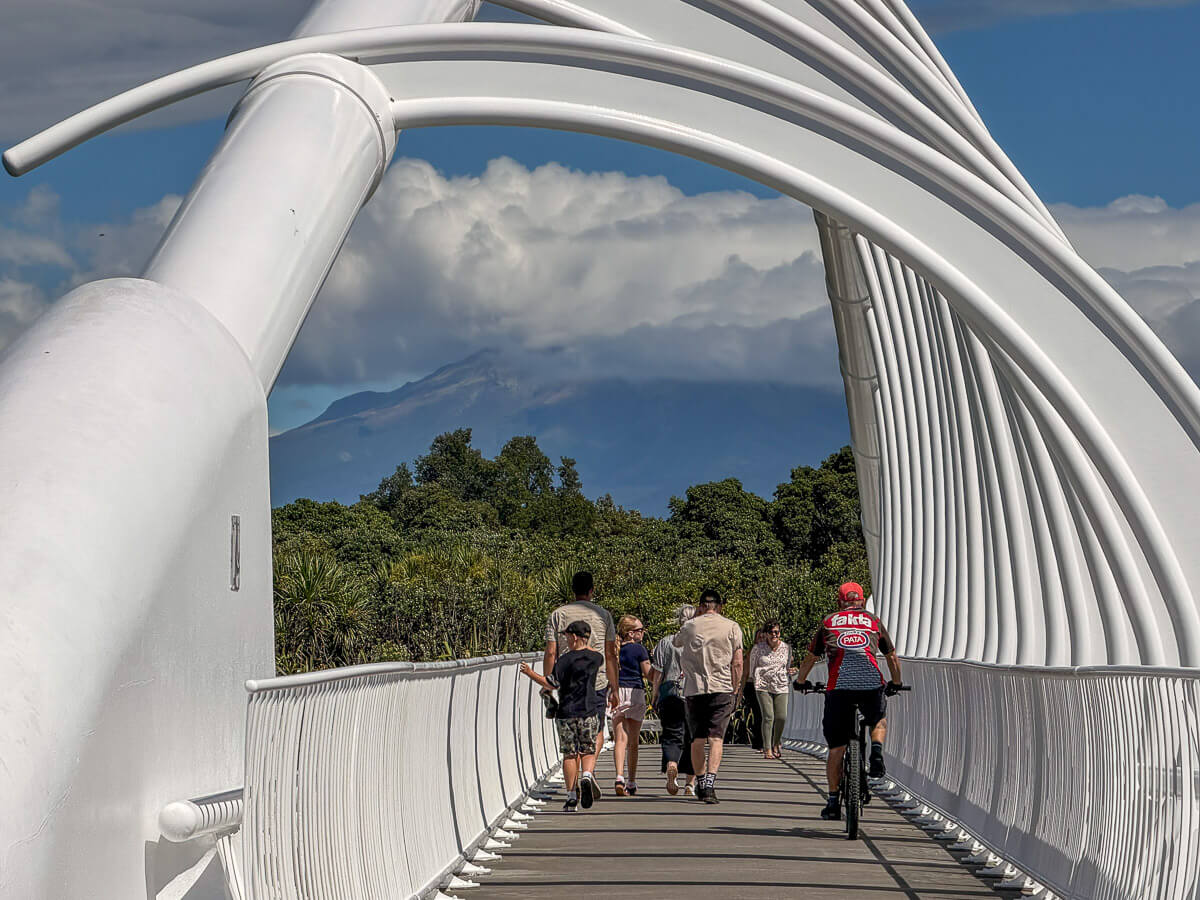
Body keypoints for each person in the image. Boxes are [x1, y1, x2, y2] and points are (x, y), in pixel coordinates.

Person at [793, 582, 903, 822]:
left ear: (839, 602)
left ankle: (833, 801)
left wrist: (801, 681)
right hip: (871, 684)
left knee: (836, 747)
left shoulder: (829, 622)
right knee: (878, 717)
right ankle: (876, 752)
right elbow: (891, 657)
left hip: (839, 687)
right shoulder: (873, 621)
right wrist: (895, 682)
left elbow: (811, 657)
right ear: (862, 602)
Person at [544, 571, 619, 804]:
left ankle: (573, 785)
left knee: (569, 742)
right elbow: (610, 653)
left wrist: (549, 683)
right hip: (596, 682)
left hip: (566, 684)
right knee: (595, 729)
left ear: (572, 589)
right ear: (592, 590)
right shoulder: (603, 615)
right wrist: (614, 687)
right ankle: (589, 771)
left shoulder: (558, 614)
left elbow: (551, 652)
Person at [520, 620, 605, 812]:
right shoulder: (596, 658)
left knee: (569, 754)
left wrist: (530, 673)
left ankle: (571, 797)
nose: (565, 639)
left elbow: (551, 684)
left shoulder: (564, 661)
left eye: (567, 636)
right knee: (588, 750)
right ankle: (587, 775)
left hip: (566, 712)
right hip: (588, 711)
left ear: (574, 637)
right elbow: (592, 651)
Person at [673, 588, 743, 804]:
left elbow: (676, 642)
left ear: (701, 606)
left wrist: (695, 619)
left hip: (695, 689)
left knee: (697, 739)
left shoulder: (690, 626)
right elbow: (738, 661)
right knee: (716, 738)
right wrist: (736, 686)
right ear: (720, 606)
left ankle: (700, 780)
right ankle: (710, 783)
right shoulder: (732, 626)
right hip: (722, 687)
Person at [650, 604, 697, 796]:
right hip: (693, 693)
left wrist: (654, 696)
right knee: (693, 739)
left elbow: (658, 673)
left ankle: (671, 763)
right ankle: (690, 784)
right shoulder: (699, 643)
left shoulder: (665, 642)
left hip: (669, 692)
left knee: (671, 734)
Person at [612, 615, 651, 796]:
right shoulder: (639, 650)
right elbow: (648, 674)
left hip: (617, 693)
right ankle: (632, 781)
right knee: (633, 742)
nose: (642, 633)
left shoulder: (614, 649)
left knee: (619, 739)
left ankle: (619, 776)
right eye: (640, 630)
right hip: (635, 692)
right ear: (631, 633)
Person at [746, 621, 795, 760]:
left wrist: (790, 671)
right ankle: (767, 748)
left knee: (781, 717)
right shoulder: (758, 648)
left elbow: (787, 666)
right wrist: (754, 680)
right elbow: (752, 666)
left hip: (781, 684)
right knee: (768, 716)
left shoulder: (786, 648)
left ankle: (776, 742)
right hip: (763, 685)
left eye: (777, 632)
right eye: (771, 632)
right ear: (766, 634)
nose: (774, 635)